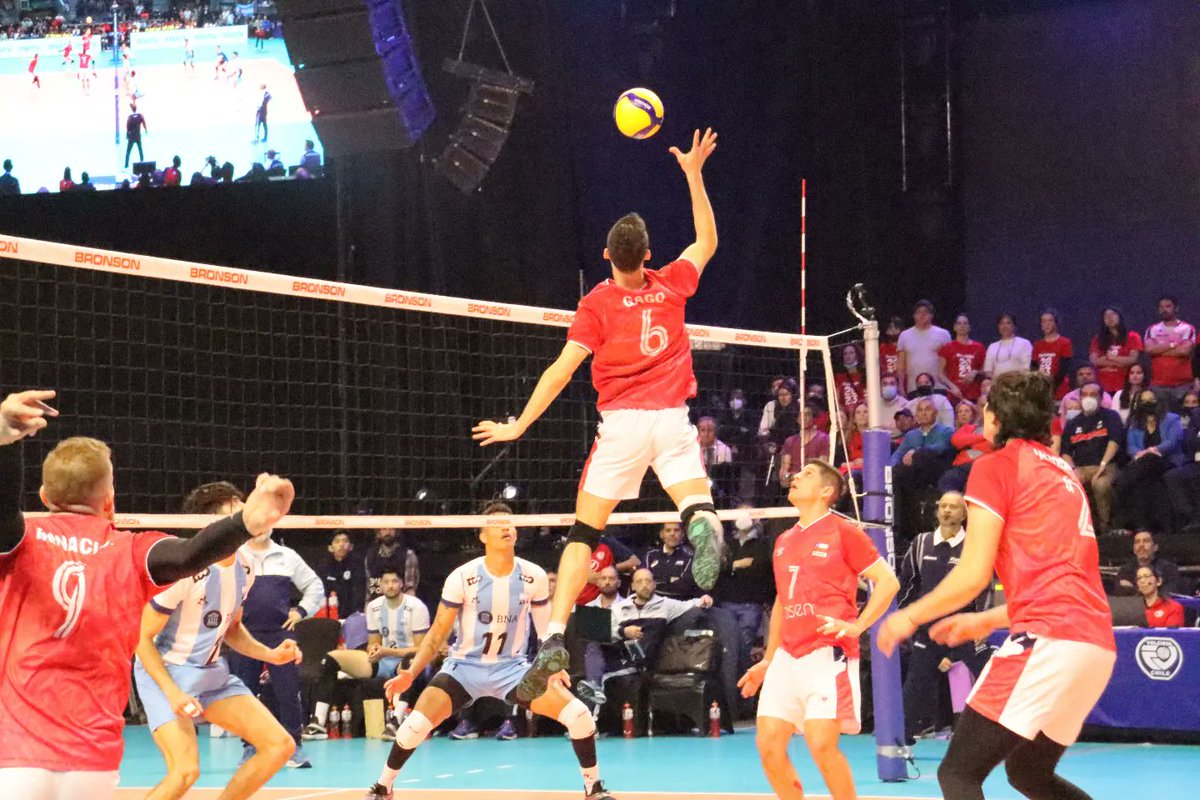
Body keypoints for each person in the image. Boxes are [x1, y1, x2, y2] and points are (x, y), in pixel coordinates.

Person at [472, 128, 722, 704]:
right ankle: (703, 520)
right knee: (694, 501)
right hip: (673, 417)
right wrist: (692, 173)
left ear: (608, 257)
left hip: (623, 425)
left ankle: (556, 635)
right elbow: (706, 238)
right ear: (649, 255)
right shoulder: (671, 285)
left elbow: (560, 371)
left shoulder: (596, 304)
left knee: (584, 532)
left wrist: (518, 426)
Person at [0, 389, 295, 800]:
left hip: (15, 756)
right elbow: (191, 555)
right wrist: (245, 523)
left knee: (264, 748)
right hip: (92, 759)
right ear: (110, 500)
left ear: (45, 498)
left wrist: (6, 438)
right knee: (184, 771)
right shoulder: (132, 550)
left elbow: (2, 513)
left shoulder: (21, 541)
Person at [878, 371, 1116, 800]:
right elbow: (1062, 580)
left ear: (995, 417)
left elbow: (973, 573)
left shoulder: (996, 466)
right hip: (1094, 644)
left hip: (1048, 639)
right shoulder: (1064, 473)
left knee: (958, 775)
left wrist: (907, 616)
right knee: (1029, 772)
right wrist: (985, 619)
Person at [362, 504, 617, 800]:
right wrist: (410, 674)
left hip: (513, 670)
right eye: (497, 524)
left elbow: (546, 630)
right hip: (464, 668)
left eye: (510, 523)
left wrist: (551, 665)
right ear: (483, 535)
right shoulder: (463, 576)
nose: (506, 527)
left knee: (580, 715)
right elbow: (436, 635)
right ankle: (383, 787)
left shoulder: (532, 575)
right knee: (414, 725)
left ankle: (593, 788)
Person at [738, 461, 899, 800]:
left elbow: (888, 582)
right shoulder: (783, 539)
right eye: (797, 474)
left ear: (827, 492)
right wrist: (768, 660)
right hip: (787, 655)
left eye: (807, 475)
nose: (795, 477)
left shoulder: (843, 531)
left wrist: (857, 626)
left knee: (821, 744)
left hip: (827, 651)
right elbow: (783, 600)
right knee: (768, 745)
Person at [134, 482, 301, 800]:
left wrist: (271, 654)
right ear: (215, 523)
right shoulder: (182, 570)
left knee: (279, 745)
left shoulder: (247, 566)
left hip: (210, 673)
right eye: (236, 503)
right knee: (185, 772)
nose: (245, 506)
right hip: (166, 674)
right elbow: (140, 637)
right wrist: (172, 693)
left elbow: (232, 628)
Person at [226, 514, 325, 768]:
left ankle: (294, 747)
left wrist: (300, 612)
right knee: (244, 692)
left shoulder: (287, 556)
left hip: (280, 634)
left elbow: (314, 585)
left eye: (265, 523)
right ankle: (250, 747)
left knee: (289, 691)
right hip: (245, 634)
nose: (261, 528)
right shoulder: (235, 555)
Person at [897, 492, 989, 745]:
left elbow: (986, 588)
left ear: (964, 514)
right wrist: (901, 617)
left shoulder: (976, 545)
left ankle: (1010, 733)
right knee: (915, 684)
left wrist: (983, 622)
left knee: (990, 678)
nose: (947, 511)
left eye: (954, 507)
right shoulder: (920, 543)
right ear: (937, 511)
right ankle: (900, 740)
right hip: (929, 629)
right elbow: (907, 585)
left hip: (964, 629)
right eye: (943, 506)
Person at [304, 568, 428, 740]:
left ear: (401, 584)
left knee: (411, 661)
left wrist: (388, 651)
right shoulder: (374, 606)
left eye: (394, 581)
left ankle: (395, 722)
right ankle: (318, 723)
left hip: (407, 660)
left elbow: (422, 649)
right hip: (383, 660)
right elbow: (373, 641)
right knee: (331, 658)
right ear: (380, 585)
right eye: (386, 582)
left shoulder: (416, 607)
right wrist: (373, 651)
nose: (390, 585)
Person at [1113, 390, 1184, 532]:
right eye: (1143, 401)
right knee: (1143, 483)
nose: (1147, 404)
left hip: (1167, 460)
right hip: (1144, 465)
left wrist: (1151, 450)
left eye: (1151, 400)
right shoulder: (1135, 423)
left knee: (1150, 458)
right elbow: (1131, 447)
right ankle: (1143, 526)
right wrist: (1140, 453)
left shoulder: (1172, 419)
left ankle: (1121, 482)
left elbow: (1172, 442)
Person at [1058, 382, 1124, 533]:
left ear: (1101, 398)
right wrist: (1073, 470)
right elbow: (1065, 452)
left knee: (1100, 484)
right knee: (1069, 485)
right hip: (1082, 467)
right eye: (1085, 395)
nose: (1088, 398)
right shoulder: (1072, 423)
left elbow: (1114, 442)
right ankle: (1077, 528)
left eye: (1093, 395)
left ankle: (1105, 526)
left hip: (1107, 465)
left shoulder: (1111, 416)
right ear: (1080, 398)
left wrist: (1103, 464)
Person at [1143, 295, 1196, 404]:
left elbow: (1184, 351)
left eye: (1168, 306)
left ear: (1176, 308)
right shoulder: (1152, 329)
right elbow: (1149, 350)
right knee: (1161, 419)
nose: (1164, 309)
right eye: (1161, 307)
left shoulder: (1187, 328)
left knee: (1184, 419)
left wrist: (1158, 350)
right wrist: (1172, 345)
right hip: (1158, 385)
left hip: (1182, 385)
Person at [897, 300, 952, 394]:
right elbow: (901, 365)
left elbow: (950, 362)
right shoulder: (904, 335)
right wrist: (901, 387)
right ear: (914, 316)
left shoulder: (943, 334)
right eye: (918, 312)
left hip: (938, 387)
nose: (922, 315)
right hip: (914, 387)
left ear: (931, 315)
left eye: (925, 312)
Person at [1090, 306, 1143, 396]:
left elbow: (1133, 359)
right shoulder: (1097, 339)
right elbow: (1094, 361)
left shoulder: (1133, 337)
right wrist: (1120, 362)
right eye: (1106, 316)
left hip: (1124, 385)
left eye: (1112, 315)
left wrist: (1111, 358)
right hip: (1103, 386)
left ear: (1120, 317)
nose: (1109, 318)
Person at [1115, 529, 1180, 595]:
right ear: (1134, 549)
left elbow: (1167, 595)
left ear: (1155, 547)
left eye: (1146, 541)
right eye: (1137, 542)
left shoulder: (1168, 569)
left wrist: (1134, 590)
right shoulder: (1125, 571)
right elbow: (1119, 596)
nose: (1141, 545)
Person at [364, 527, 420, 606]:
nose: (388, 532)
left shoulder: (408, 555)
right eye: (384, 529)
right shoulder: (370, 557)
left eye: (391, 529)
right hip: (377, 608)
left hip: (400, 608)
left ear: (396, 531)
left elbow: (410, 590)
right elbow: (369, 590)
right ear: (378, 532)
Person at [939, 313, 985, 401]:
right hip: (955, 393)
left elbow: (985, 371)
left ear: (969, 327)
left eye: (965, 323)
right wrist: (952, 387)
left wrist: (976, 372)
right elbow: (940, 374)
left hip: (974, 393)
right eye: (959, 323)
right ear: (954, 327)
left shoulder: (979, 347)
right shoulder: (948, 347)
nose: (962, 326)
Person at [317, 531, 366, 614]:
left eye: (345, 541)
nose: (341, 544)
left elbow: (359, 593)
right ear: (330, 547)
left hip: (352, 614)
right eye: (337, 541)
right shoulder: (323, 566)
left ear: (351, 546)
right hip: (328, 613)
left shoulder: (357, 565)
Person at [1031, 308, 1073, 400]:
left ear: (1056, 323)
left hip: (1059, 388)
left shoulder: (1064, 342)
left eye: (1050, 321)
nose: (1047, 324)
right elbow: (1034, 367)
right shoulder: (1037, 345)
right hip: (1041, 388)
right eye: (1044, 321)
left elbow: (1064, 368)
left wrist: (1052, 386)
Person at [983, 313, 1032, 378]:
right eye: (1001, 323)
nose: (1004, 326)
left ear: (1014, 326)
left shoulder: (1024, 343)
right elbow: (988, 371)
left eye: (1008, 323)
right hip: (997, 384)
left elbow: (1026, 368)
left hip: (1018, 384)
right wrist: (998, 382)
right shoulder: (992, 346)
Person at [124, 102, 148, 169]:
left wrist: (127, 135)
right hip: (138, 136)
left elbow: (127, 127)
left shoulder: (130, 117)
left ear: (131, 109)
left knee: (128, 151)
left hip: (132, 136)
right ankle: (142, 161)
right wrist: (146, 130)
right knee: (140, 149)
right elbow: (144, 122)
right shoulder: (140, 116)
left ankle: (126, 164)